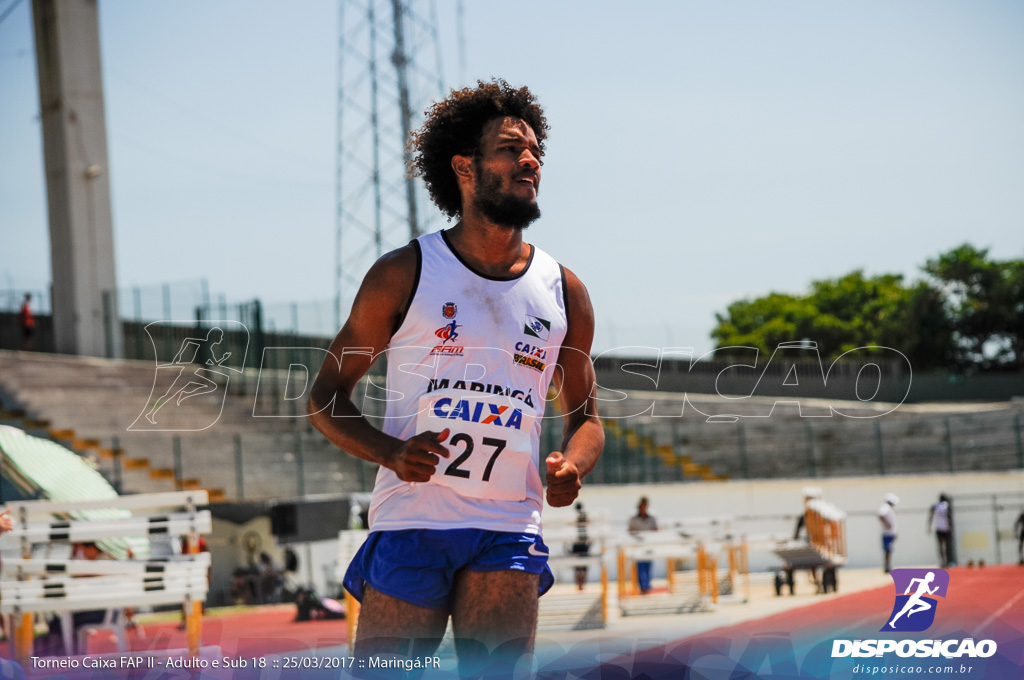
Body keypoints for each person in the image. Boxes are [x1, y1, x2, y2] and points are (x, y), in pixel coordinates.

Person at [308, 79, 603, 675]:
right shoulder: (404, 272)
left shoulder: (564, 290)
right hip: (416, 518)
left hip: (507, 524)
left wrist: (573, 466)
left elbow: (587, 421)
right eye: (510, 149)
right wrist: (391, 451)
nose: (529, 160)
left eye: (535, 151)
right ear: (464, 168)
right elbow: (324, 398)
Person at [628, 497, 658, 594]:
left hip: (648, 545)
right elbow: (630, 531)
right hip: (638, 546)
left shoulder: (652, 516)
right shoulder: (633, 517)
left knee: (648, 566)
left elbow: (656, 529)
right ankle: (643, 587)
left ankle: (647, 586)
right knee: (640, 567)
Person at [927, 493, 954, 567]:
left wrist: (929, 527)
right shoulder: (947, 505)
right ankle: (949, 561)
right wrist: (951, 527)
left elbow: (931, 517)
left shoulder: (935, 506)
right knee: (948, 546)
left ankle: (943, 562)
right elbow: (950, 517)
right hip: (946, 528)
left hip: (939, 528)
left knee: (941, 547)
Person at [571, 502, 591, 591]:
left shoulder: (574, 518)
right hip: (583, 543)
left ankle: (579, 584)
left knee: (577, 567)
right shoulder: (584, 517)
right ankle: (582, 584)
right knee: (583, 567)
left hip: (576, 544)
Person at [878, 493, 899, 573]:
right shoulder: (885, 507)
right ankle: (887, 567)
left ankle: (888, 566)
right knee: (887, 550)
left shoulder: (889, 508)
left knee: (889, 550)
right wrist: (887, 524)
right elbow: (880, 515)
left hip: (890, 533)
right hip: (887, 533)